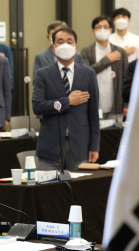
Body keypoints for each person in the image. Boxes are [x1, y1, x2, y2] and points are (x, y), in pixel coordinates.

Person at [33, 28, 100, 170]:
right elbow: (37, 106)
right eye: (60, 41)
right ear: (53, 48)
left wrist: (95, 146)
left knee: (78, 189)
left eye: (69, 42)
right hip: (50, 147)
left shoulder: (88, 74)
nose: (65, 45)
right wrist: (67, 101)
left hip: (80, 145)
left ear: (75, 48)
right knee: (48, 190)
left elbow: (93, 113)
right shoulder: (43, 74)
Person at [80, 16, 129, 121]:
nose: (102, 30)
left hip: (116, 107)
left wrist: (126, 105)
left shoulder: (120, 52)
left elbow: (127, 80)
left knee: (115, 136)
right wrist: (106, 60)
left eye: (105, 27)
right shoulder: (86, 51)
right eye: (98, 27)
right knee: (96, 136)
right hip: (94, 106)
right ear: (93, 31)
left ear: (111, 30)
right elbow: (86, 73)